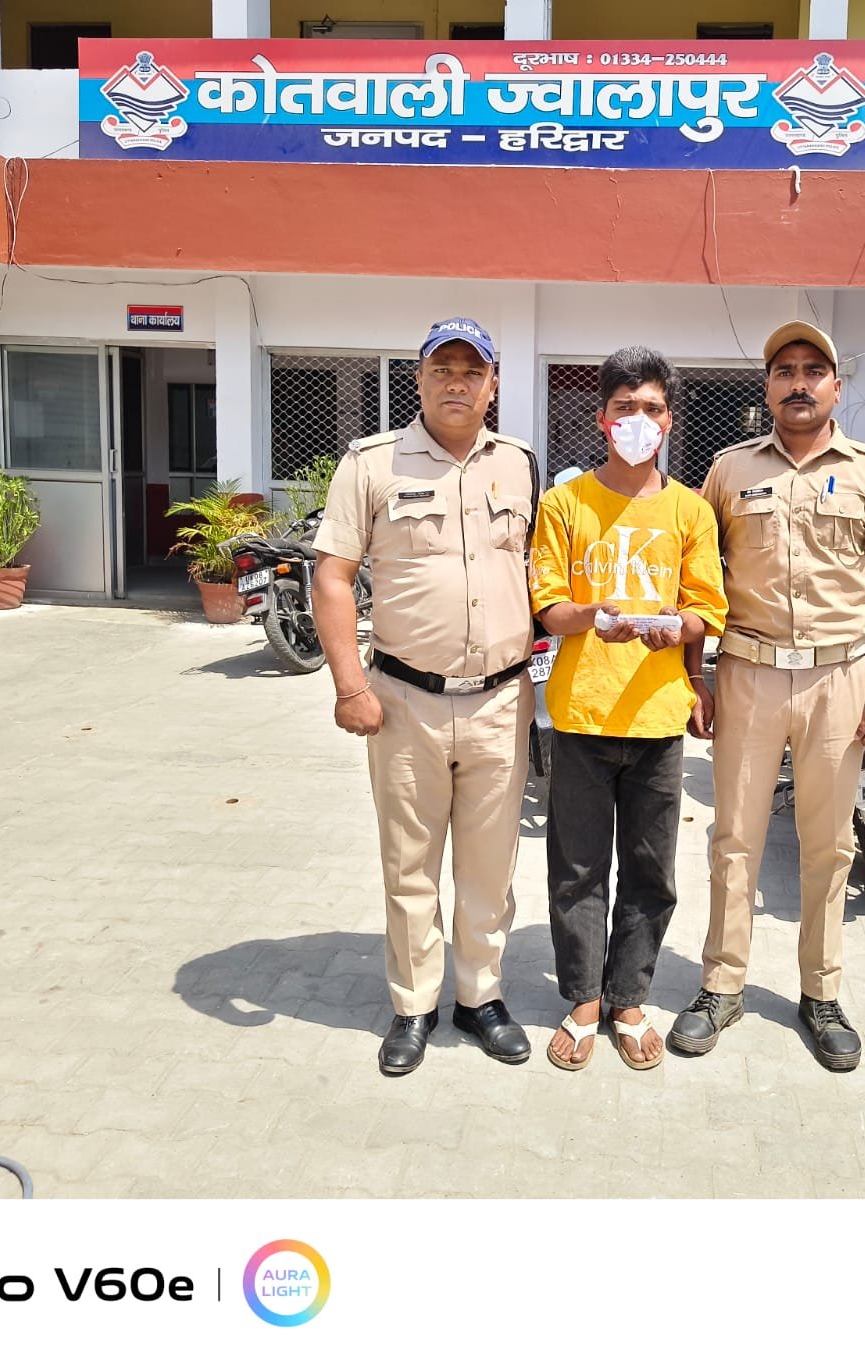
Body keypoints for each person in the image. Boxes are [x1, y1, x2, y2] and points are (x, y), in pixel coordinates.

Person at [672, 321, 865, 1072]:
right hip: (746, 673)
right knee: (734, 840)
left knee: (830, 844)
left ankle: (821, 992)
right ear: (768, 387)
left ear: (837, 387)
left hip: (838, 678)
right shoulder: (729, 469)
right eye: (785, 370)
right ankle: (722, 984)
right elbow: (696, 576)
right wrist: (694, 675)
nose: (799, 382)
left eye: (814, 370)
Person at [312, 317, 538, 1077]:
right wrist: (350, 685)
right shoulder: (371, 464)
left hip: (501, 702)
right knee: (410, 863)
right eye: (442, 369)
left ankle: (480, 997)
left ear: (493, 384)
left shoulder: (520, 465)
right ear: (418, 379)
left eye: (472, 371)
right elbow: (332, 576)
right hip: (405, 700)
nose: (457, 383)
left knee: (489, 865)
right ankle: (414, 1004)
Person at [529, 346, 728, 1071]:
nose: (638, 421)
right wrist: (593, 615)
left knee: (651, 871)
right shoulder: (564, 504)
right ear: (601, 419)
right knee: (577, 867)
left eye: (651, 408)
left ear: (669, 420)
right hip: (581, 714)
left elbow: (707, 608)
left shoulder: (691, 511)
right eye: (624, 408)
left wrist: (679, 628)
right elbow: (549, 606)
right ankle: (583, 1000)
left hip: (657, 718)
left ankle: (629, 999)